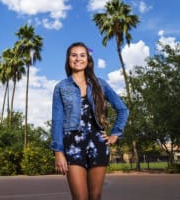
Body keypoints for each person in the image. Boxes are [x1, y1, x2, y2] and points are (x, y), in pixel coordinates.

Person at [50, 42, 129, 200]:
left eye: (82, 55)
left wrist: (115, 134)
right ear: (68, 59)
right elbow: (57, 121)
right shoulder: (61, 87)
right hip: (72, 144)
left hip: (98, 143)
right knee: (80, 197)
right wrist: (58, 152)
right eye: (74, 55)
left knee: (95, 195)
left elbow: (123, 109)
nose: (78, 58)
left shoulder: (100, 84)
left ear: (88, 59)